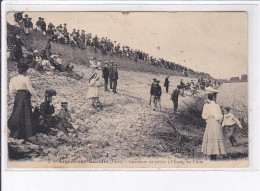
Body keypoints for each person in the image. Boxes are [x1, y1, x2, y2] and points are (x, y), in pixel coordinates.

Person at [8, 63, 40, 139]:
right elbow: (30, 89)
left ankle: (15, 132)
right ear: (25, 71)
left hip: (18, 96)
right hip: (25, 96)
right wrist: (37, 98)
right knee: (26, 113)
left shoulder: (13, 79)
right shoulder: (26, 79)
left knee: (17, 113)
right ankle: (26, 134)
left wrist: (15, 98)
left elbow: (11, 91)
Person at [201, 87, 225, 161]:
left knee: (210, 138)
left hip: (209, 123)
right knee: (216, 138)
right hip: (215, 123)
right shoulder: (216, 106)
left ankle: (211, 156)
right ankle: (214, 157)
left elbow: (203, 116)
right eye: (216, 96)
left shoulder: (206, 105)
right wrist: (222, 116)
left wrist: (209, 116)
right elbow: (218, 117)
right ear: (214, 97)